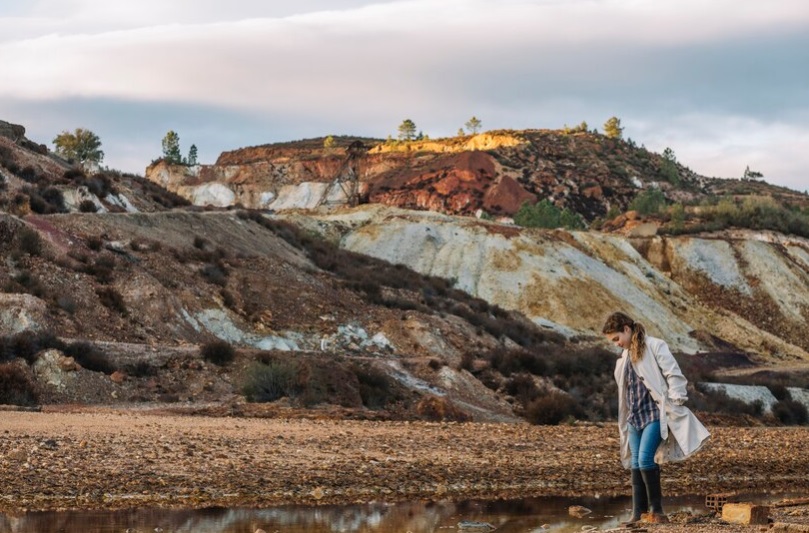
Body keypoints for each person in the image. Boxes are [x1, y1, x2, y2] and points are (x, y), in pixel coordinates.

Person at [602, 311, 710, 525]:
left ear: (626, 329)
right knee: (634, 461)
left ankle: (657, 511)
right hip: (633, 417)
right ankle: (638, 513)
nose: (616, 344)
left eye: (617, 338)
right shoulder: (623, 359)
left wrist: (677, 399)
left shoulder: (655, 345)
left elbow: (673, 373)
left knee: (644, 459)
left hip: (654, 414)